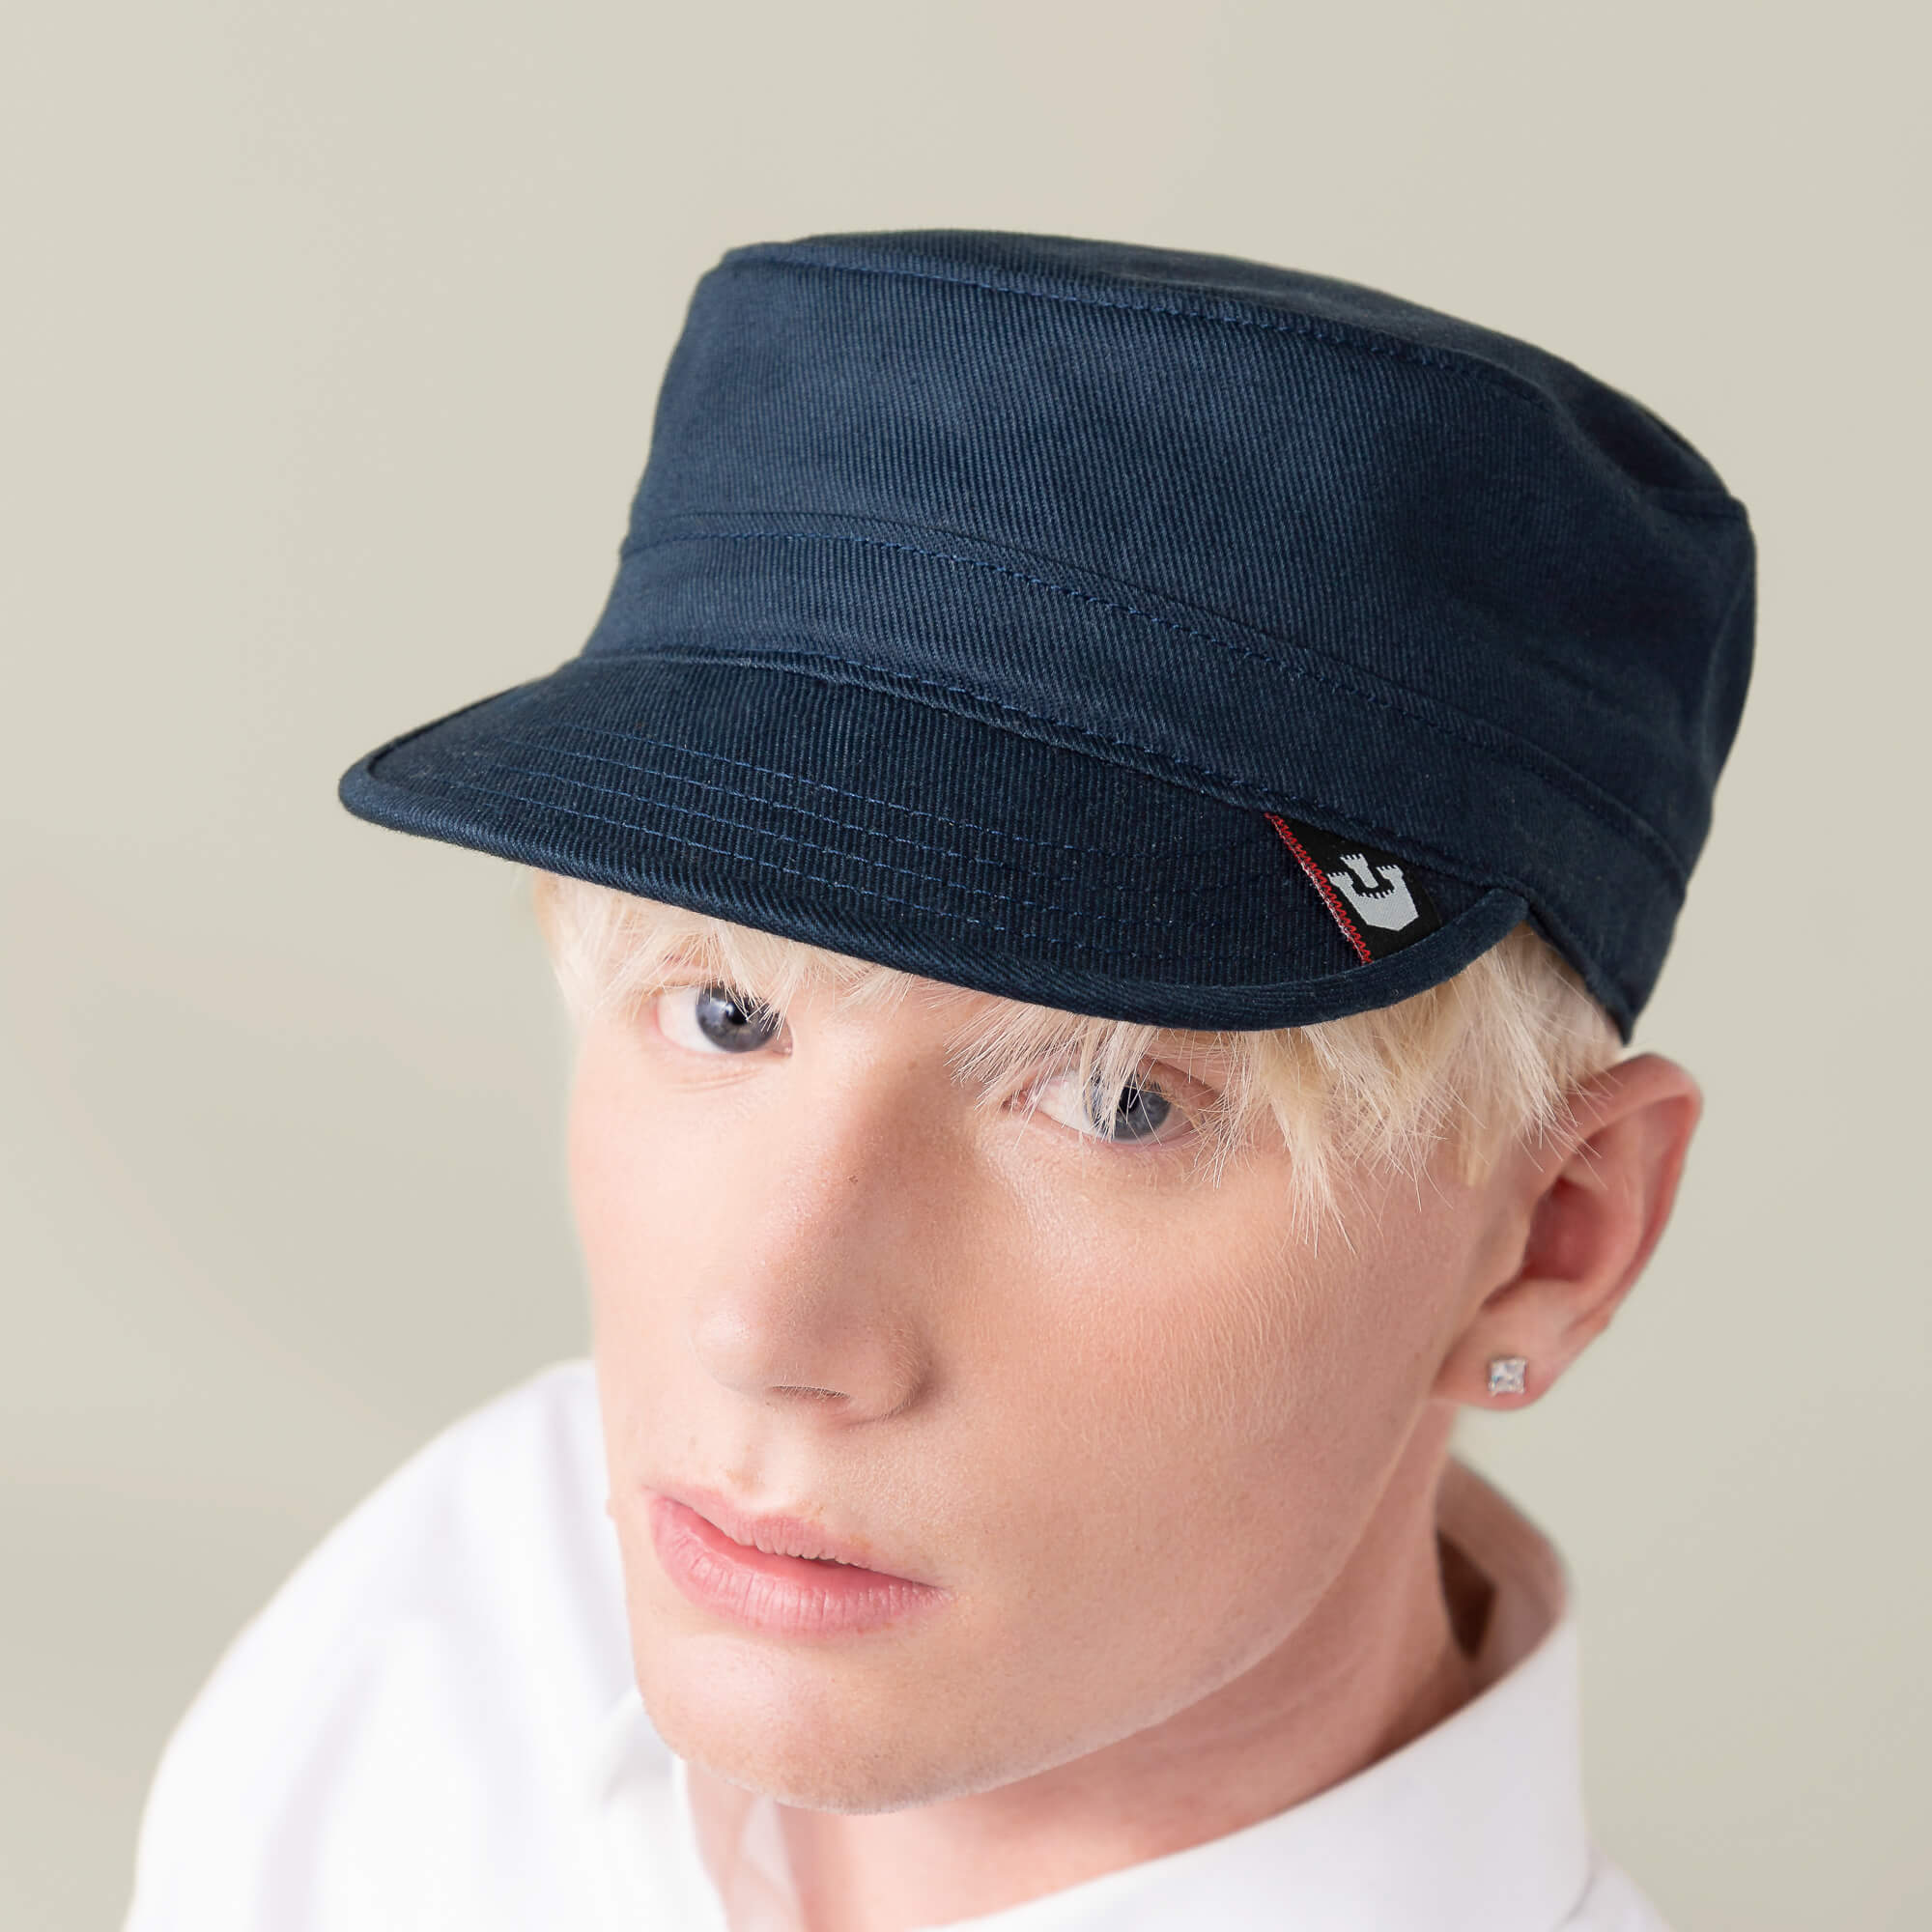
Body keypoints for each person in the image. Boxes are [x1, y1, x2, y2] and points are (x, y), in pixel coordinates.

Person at [125, 229, 1754, 1930]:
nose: (767, 1332)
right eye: (726, 1015)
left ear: (1555, 1237)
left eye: (1122, 1100)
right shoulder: (458, 1624)